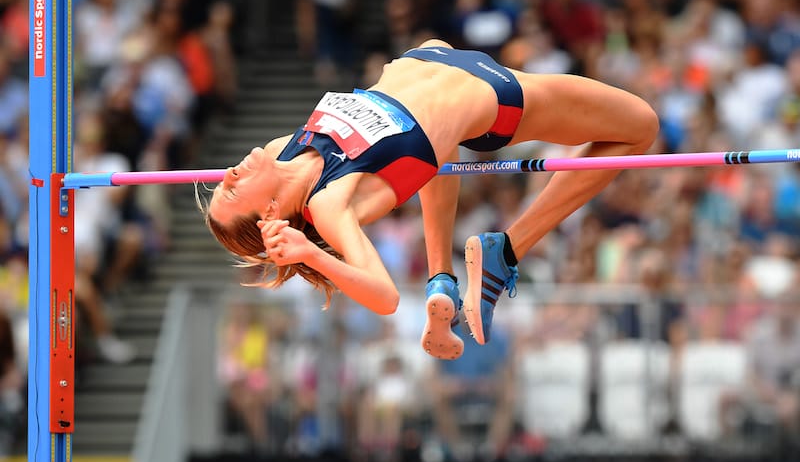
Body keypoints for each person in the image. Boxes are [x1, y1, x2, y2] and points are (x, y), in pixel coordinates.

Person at [200, 38, 659, 360]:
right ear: (272, 213)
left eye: (221, 183)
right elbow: (383, 297)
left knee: (433, 152)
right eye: (233, 190)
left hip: (433, 58)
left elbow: (414, 157)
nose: (230, 175)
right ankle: (507, 248)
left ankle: (443, 279)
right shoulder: (328, 203)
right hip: (495, 95)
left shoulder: (285, 150)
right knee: (640, 126)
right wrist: (308, 255)